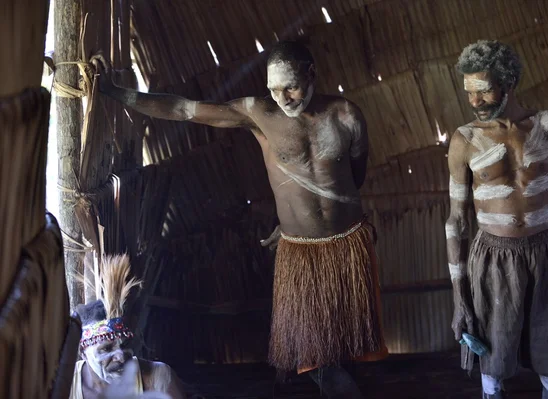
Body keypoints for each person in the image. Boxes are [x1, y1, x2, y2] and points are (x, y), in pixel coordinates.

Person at [99, 41, 388, 398]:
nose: (283, 97)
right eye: (273, 88)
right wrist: (115, 92)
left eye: (291, 86)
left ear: (311, 74)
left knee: (350, 341)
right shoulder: (258, 113)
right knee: (319, 355)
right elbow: (181, 108)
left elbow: (355, 176)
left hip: (348, 243)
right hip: (300, 252)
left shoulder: (346, 115)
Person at [445, 40, 548, 399]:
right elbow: (457, 223)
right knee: (493, 358)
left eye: (484, 91)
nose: (475, 102)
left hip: (547, 251)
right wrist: (460, 297)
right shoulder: (465, 140)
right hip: (493, 257)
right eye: (469, 93)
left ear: (508, 83)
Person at [70, 254, 185, 399]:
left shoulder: (157, 377)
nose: (121, 356)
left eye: (125, 345)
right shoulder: (64, 385)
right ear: (83, 352)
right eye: (106, 348)